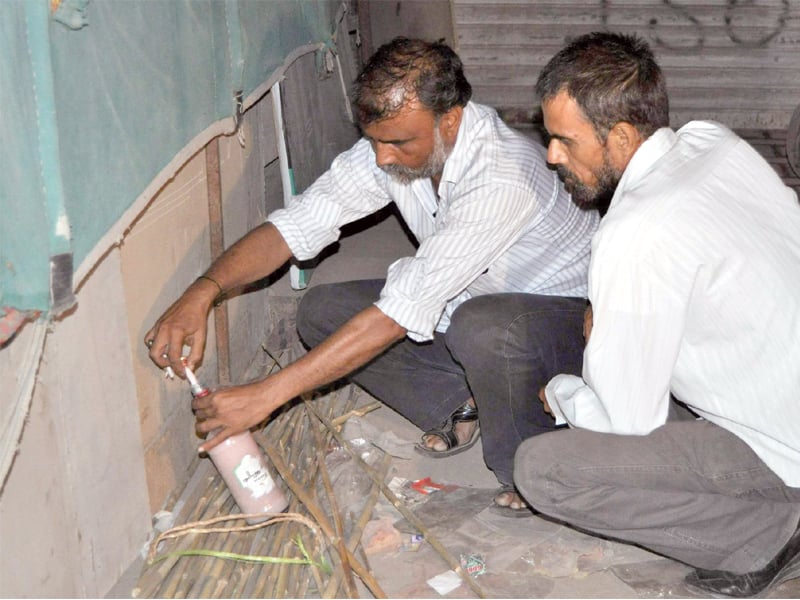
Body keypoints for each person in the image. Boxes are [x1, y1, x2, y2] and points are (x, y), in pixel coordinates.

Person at [146, 37, 598, 515]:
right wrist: (203, 292)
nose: (382, 158)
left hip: (567, 327)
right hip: (471, 302)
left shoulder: (503, 178)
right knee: (323, 312)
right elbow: (297, 224)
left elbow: (403, 308)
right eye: (376, 140)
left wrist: (267, 396)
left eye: (399, 142)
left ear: (450, 120)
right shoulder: (394, 145)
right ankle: (461, 400)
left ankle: (532, 466)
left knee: (484, 328)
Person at [514, 31, 800, 596]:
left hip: (783, 449)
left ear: (620, 137)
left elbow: (628, 424)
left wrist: (567, 389)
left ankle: (772, 531)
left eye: (565, 141)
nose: (551, 156)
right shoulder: (711, 142)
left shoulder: (635, 231)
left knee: (543, 470)